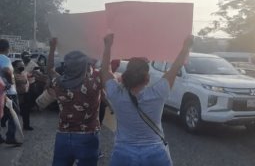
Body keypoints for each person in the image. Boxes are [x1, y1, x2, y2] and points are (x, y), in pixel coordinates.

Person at [100, 34, 192, 166]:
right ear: (147, 78)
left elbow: (105, 70)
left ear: (125, 76)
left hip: (123, 152)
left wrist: (107, 46)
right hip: (156, 153)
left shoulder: (116, 94)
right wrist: (185, 48)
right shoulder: (158, 93)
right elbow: (175, 68)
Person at [48, 38, 103, 166]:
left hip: (62, 136)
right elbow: (106, 70)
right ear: (85, 66)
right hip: (88, 136)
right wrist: (105, 47)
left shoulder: (58, 83)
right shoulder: (93, 84)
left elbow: (50, 69)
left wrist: (52, 48)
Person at [0, 39, 21, 145]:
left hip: (1, 91)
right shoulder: (4, 58)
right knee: (14, 114)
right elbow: (5, 71)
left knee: (2, 113)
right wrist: (10, 82)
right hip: (9, 91)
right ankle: (10, 137)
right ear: (6, 48)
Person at [12, 60, 33, 130]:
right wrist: (27, 78)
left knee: (26, 111)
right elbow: (23, 81)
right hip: (18, 96)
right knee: (13, 112)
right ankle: (4, 120)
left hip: (25, 94)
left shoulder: (23, 73)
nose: (22, 67)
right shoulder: (14, 75)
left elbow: (30, 77)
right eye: (20, 65)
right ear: (15, 67)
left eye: (22, 65)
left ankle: (26, 126)